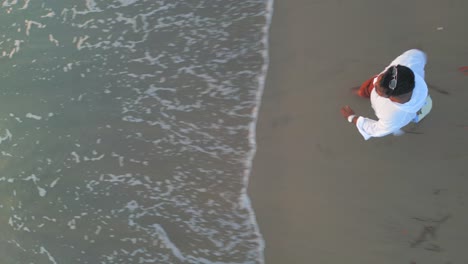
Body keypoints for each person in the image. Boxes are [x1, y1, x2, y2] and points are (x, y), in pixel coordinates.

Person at [340, 49, 430, 140]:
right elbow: (418, 54)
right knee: (364, 90)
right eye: (381, 76)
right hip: (393, 93)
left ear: (391, 97)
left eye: (377, 89)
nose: (374, 83)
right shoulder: (410, 60)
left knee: (397, 124)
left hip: (397, 118)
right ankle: (364, 91)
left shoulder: (393, 117)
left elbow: (375, 130)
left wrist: (351, 118)